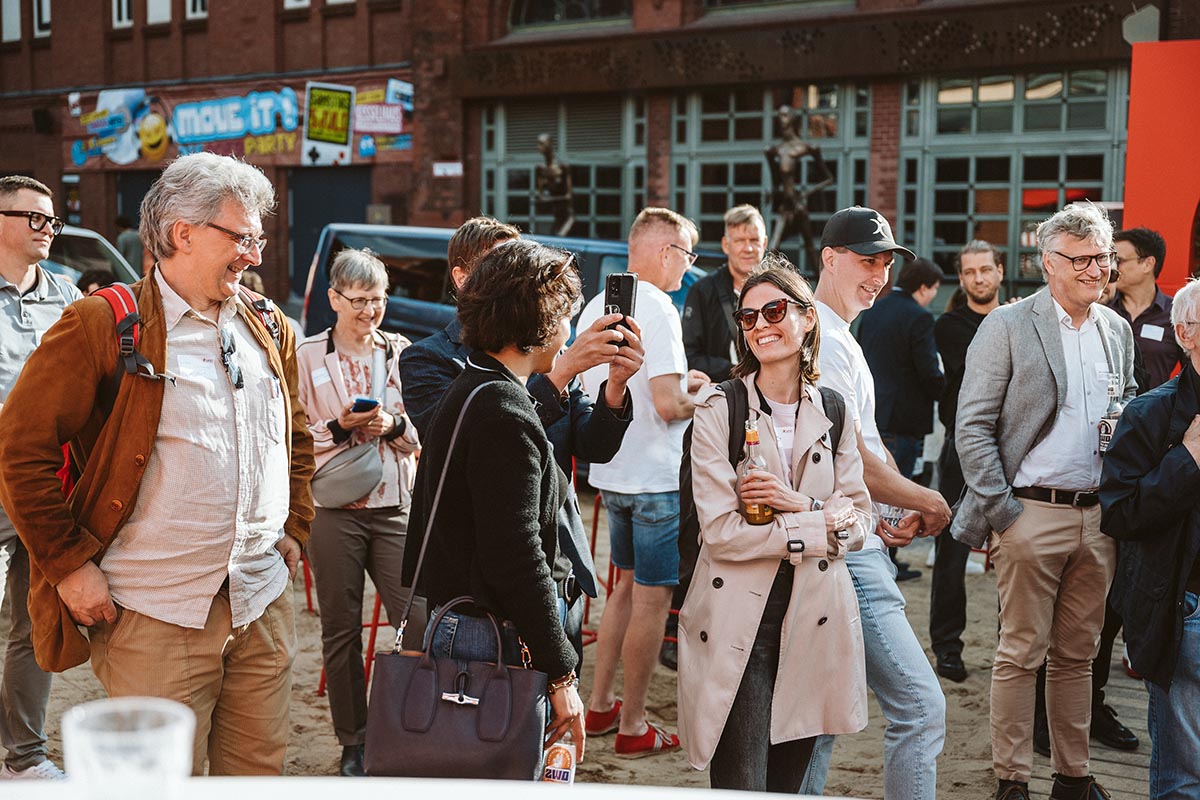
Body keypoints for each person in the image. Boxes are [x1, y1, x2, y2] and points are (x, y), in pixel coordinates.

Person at [0, 152, 316, 776]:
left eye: (258, 238)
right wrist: (67, 567)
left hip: (260, 604)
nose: (256, 254)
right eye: (243, 237)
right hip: (153, 613)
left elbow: (295, 433)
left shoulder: (269, 324)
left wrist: (294, 527)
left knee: (258, 777)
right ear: (183, 233)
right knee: (164, 787)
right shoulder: (101, 322)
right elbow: (20, 448)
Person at [398, 216, 640, 669]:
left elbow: (593, 444)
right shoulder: (442, 365)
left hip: (556, 574)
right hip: (496, 612)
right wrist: (560, 670)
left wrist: (615, 384)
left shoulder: (498, 377)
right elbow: (511, 551)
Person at [954, 202, 1136, 800]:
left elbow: (1127, 406)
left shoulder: (1115, 329)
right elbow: (972, 426)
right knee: (1019, 654)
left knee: (1078, 656)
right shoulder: (1007, 325)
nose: (1096, 270)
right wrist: (1005, 512)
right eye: (1081, 259)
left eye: (1102, 258)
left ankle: (1073, 776)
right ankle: (1012, 781)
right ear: (1047, 264)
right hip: (1030, 512)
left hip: (1097, 517)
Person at [678, 263, 871, 792]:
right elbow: (720, 533)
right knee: (742, 782)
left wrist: (797, 503)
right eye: (748, 315)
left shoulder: (833, 408)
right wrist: (817, 520)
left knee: (788, 785)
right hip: (743, 617)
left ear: (808, 318)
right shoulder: (720, 407)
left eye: (775, 310)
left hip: (815, 615)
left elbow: (859, 521)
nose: (761, 324)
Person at [401, 239, 591, 766]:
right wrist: (561, 674)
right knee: (498, 776)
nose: (569, 332)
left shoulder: (478, 386)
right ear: (542, 320)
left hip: (471, 626)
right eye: (567, 316)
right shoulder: (502, 408)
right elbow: (516, 555)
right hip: (489, 637)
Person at [804, 205, 949, 800]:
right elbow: (852, 457)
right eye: (868, 261)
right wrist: (927, 499)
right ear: (829, 259)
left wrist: (894, 506)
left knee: (820, 720)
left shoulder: (840, 334)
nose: (878, 276)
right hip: (845, 549)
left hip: (845, 538)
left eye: (885, 264)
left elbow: (867, 441)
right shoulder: (821, 333)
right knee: (920, 707)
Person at [579, 207, 707, 758]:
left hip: (610, 471)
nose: (689, 267)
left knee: (623, 590)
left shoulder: (599, 303)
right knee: (652, 599)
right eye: (687, 255)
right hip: (654, 476)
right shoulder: (659, 307)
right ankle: (632, 724)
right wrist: (704, 394)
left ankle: (600, 703)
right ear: (663, 250)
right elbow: (667, 402)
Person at [295, 248, 424, 777]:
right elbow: (294, 435)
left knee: (417, 623)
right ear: (333, 299)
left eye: (377, 300)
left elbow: (425, 430)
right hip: (333, 509)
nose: (369, 311)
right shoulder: (305, 354)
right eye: (359, 301)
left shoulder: (402, 352)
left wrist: (392, 426)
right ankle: (355, 741)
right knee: (341, 630)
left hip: (394, 504)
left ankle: (403, 730)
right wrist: (340, 427)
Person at [1099, 277, 1200, 799]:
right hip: (1187, 609)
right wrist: (1187, 461)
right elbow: (1120, 515)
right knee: (1184, 777)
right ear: (1186, 333)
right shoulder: (1152, 414)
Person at [0, 176, 79, 781]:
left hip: (43, 487)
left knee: (34, 623)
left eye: (52, 219)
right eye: (34, 218)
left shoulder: (69, 299)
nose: (47, 229)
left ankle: (24, 755)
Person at [929, 240, 1004, 683]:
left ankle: (1008, 647)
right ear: (962, 278)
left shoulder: (1017, 319)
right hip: (961, 446)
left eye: (985, 270)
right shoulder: (950, 326)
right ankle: (947, 647)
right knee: (952, 547)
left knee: (1013, 552)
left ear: (999, 271)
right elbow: (985, 363)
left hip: (1011, 445)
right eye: (970, 271)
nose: (978, 278)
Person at [857, 256, 945, 582]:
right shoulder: (919, 317)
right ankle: (889, 562)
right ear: (924, 287)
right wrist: (945, 393)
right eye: (934, 289)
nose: (933, 295)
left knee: (878, 495)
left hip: (875, 412)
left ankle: (884, 558)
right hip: (906, 415)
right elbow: (928, 369)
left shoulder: (874, 309)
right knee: (899, 493)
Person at [682, 204, 768, 383]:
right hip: (723, 396)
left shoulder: (778, 289)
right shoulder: (703, 291)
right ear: (725, 245)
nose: (748, 248)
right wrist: (738, 371)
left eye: (754, 240)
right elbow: (689, 355)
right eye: (739, 241)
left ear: (764, 243)